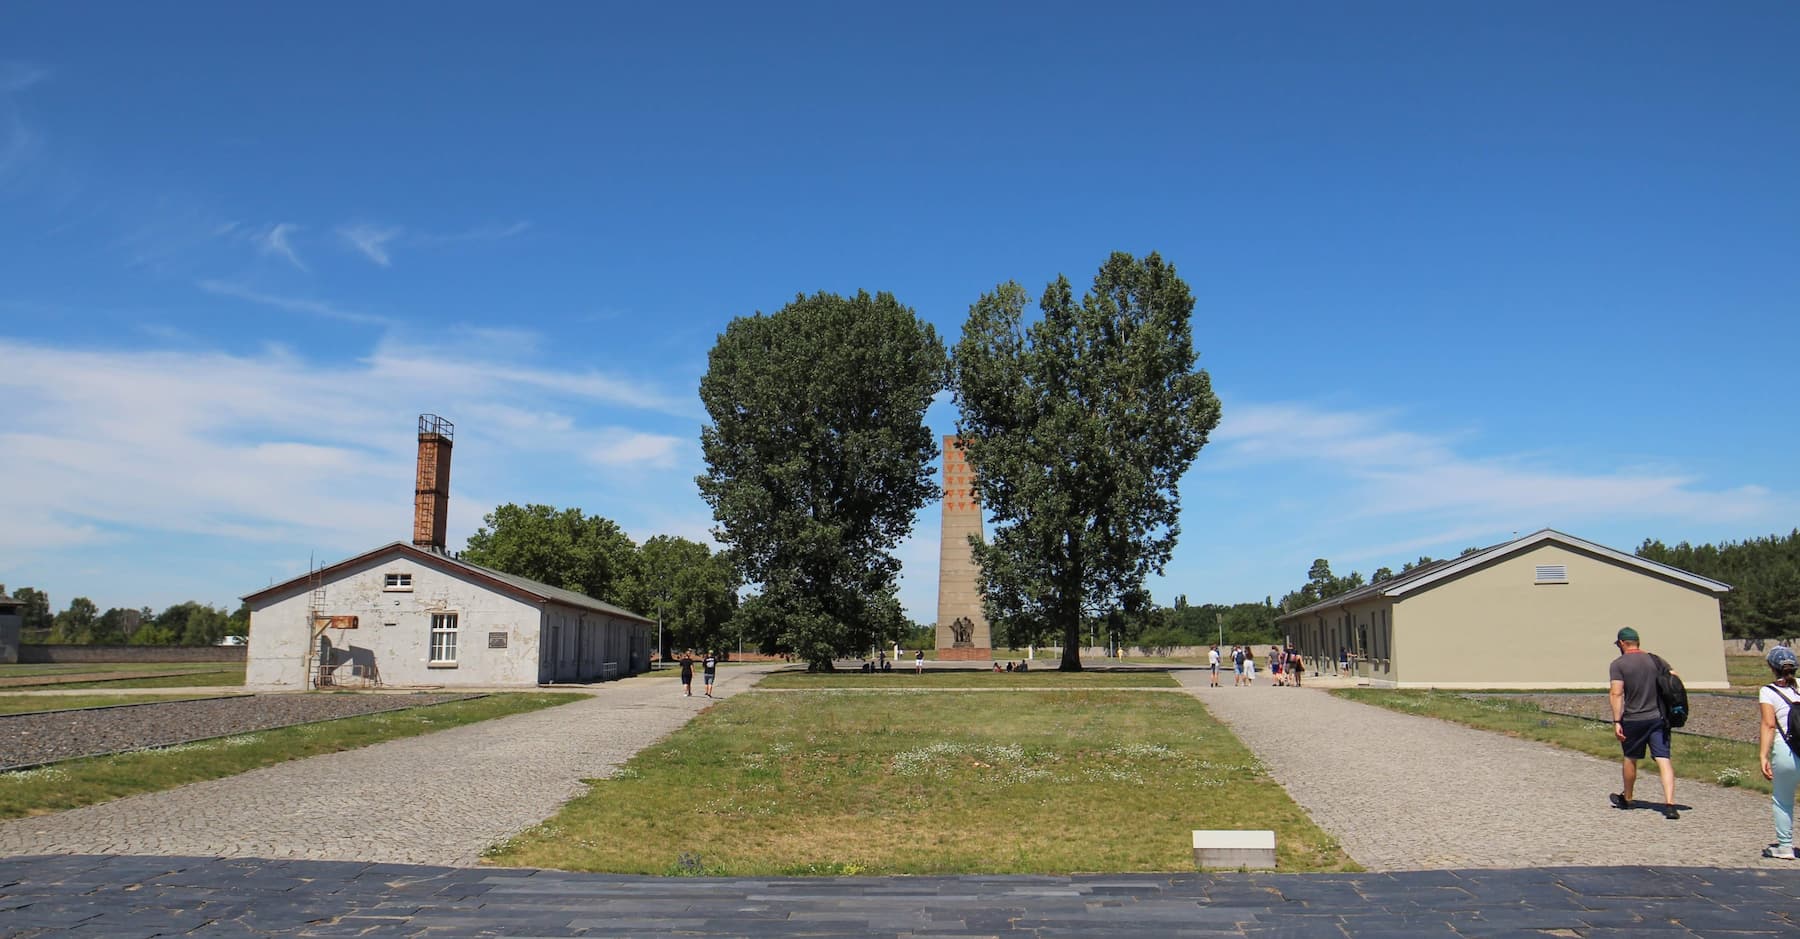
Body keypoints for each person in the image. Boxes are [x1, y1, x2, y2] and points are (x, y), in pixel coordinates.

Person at [1608, 626, 1679, 819]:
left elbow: (1617, 693)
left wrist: (1616, 720)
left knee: (1631, 757)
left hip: (1633, 718)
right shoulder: (1656, 660)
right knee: (1663, 759)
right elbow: (1674, 679)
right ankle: (1670, 803)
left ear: (1622, 643)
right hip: (1658, 717)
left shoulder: (1618, 664)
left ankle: (1628, 798)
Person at [1759, 646, 1800, 860]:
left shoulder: (1768, 691)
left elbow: (1769, 725)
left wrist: (1763, 755)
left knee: (1783, 799)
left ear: (1771, 667)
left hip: (1787, 750)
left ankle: (1785, 846)